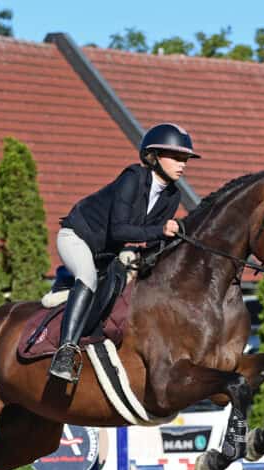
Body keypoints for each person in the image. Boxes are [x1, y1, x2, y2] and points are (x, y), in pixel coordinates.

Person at [49, 123, 201, 382]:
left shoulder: (172, 195)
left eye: (185, 158)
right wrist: (161, 230)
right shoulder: (133, 177)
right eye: (176, 157)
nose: (182, 164)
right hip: (78, 237)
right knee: (87, 277)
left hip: (107, 254)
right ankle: (66, 351)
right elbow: (120, 230)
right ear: (153, 157)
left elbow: (154, 241)